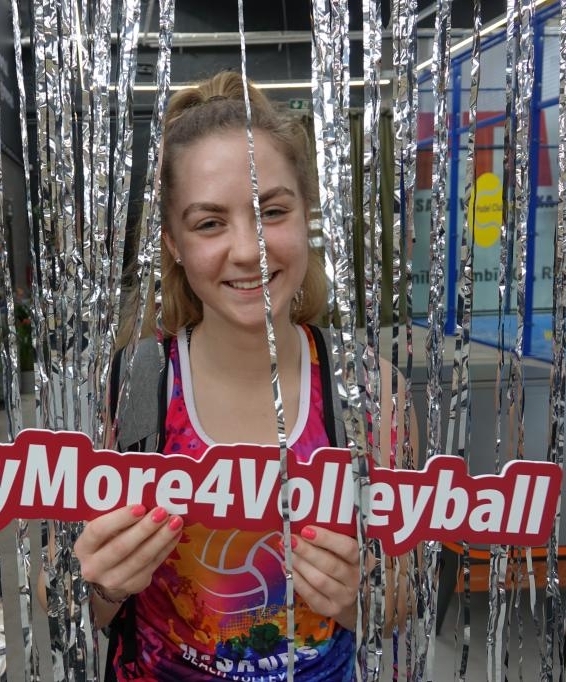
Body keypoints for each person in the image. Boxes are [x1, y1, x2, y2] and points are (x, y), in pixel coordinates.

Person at [43, 72, 413, 681]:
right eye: (210, 223)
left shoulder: (371, 394)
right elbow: (64, 600)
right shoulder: (129, 392)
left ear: (306, 216)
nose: (248, 250)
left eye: (272, 212)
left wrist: (360, 600)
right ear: (173, 243)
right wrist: (103, 586)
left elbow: (403, 598)